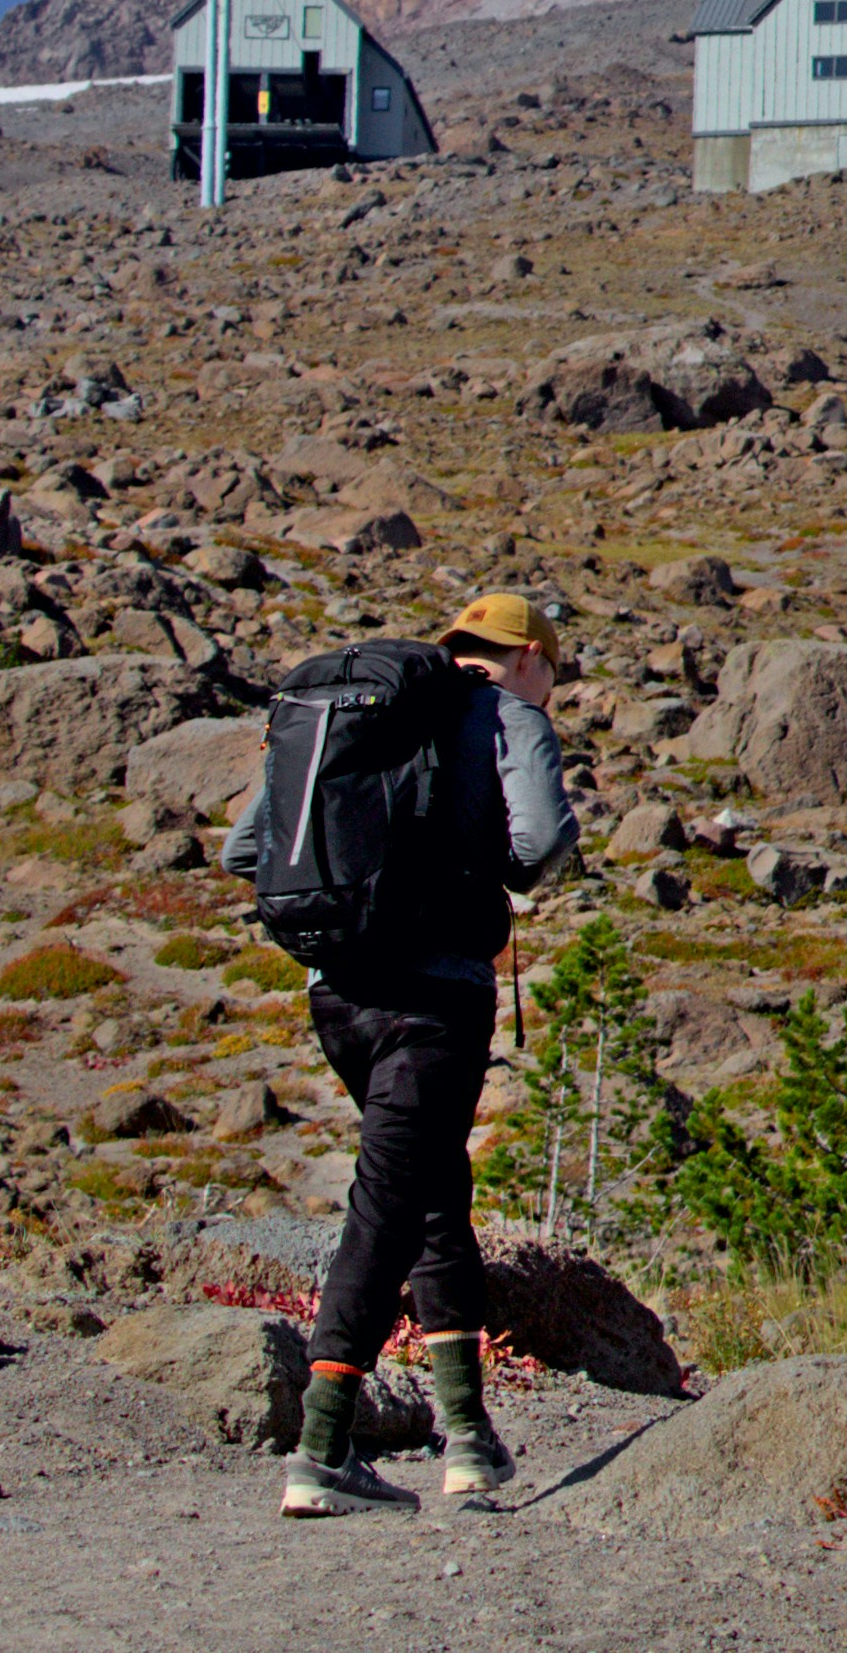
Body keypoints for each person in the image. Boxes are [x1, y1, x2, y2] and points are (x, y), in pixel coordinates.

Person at [221, 587, 582, 1513]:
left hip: (337, 997)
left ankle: (468, 1438)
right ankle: (323, 1449)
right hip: (435, 1004)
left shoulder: (362, 716)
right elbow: (538, 844)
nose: (550, 685)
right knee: (387, 1204)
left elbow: (243, 850)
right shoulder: (510, 715)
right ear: (532, 658)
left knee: (429, 1192)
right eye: (552, 671)